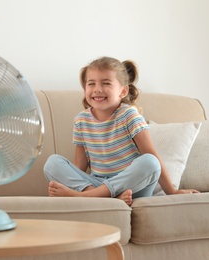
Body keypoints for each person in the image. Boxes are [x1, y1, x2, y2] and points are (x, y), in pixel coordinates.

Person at [43, 57, 198, 205]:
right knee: (52, 163)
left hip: (132, 187)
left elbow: (152, 156)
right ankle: (103, 196)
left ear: (123, 91)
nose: (97, 89)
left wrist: (172, 191)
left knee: (150, 162)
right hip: (99, 183)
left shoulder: (129, 115)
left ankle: (86, 197)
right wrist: (75, 182)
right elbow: (79, 167)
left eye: (106, 83)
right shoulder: (81, 120)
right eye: (91, 84)